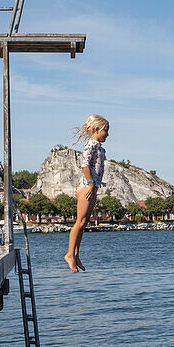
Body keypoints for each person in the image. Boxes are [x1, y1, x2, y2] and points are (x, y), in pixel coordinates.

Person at [65, 115, 109, 272]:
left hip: (92, 187)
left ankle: (76, 255)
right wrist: (90, 183)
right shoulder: (91, 144)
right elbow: (85, 164)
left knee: (84, 223)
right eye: (106, 130)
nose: (107, 134)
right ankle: (69, 254)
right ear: (97, 129)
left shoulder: (98, 146)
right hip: (87, 187)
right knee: (80, 221)